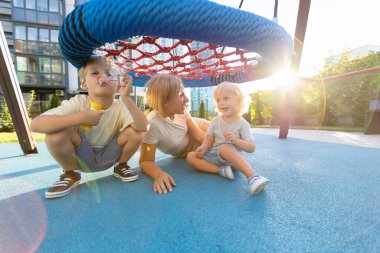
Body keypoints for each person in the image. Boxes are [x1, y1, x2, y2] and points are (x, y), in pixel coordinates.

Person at [30, 56, 148, 199]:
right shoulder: (78, 103)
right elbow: (35, 124)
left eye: (109, 73)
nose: (102, 76)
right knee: (55, 133)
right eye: (94, 73)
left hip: (109, 156)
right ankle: (71, 173)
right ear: (84, 84)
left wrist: (127, 98)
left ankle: (121, 165)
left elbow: (142, 128)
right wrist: (80, 118)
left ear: (118, 84)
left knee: (135, 133)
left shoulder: (120, 105)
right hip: (80, 158)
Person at [186, 82, 268, 195]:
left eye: (226, 98)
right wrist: (203, 148)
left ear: (239, 101)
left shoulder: (242, 124)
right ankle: (221, 171)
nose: (221, 103)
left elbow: (251, 147)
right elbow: (209, 139)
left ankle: (253, 177)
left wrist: (236, 140)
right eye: (218, 100)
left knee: (224, 147)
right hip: (215, 157)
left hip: (232, 160)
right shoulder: (215, 121)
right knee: (190, 156)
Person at [139, 75, 209, 195]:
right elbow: (145, 160)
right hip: (190, 151)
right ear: (165, 101)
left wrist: (219, 143)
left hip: (202, 130)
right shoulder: (152, 126)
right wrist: (158, 174)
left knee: (224, 134)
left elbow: (198, 134)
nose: (187, 99)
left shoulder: (182, 111)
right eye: (181, 95)